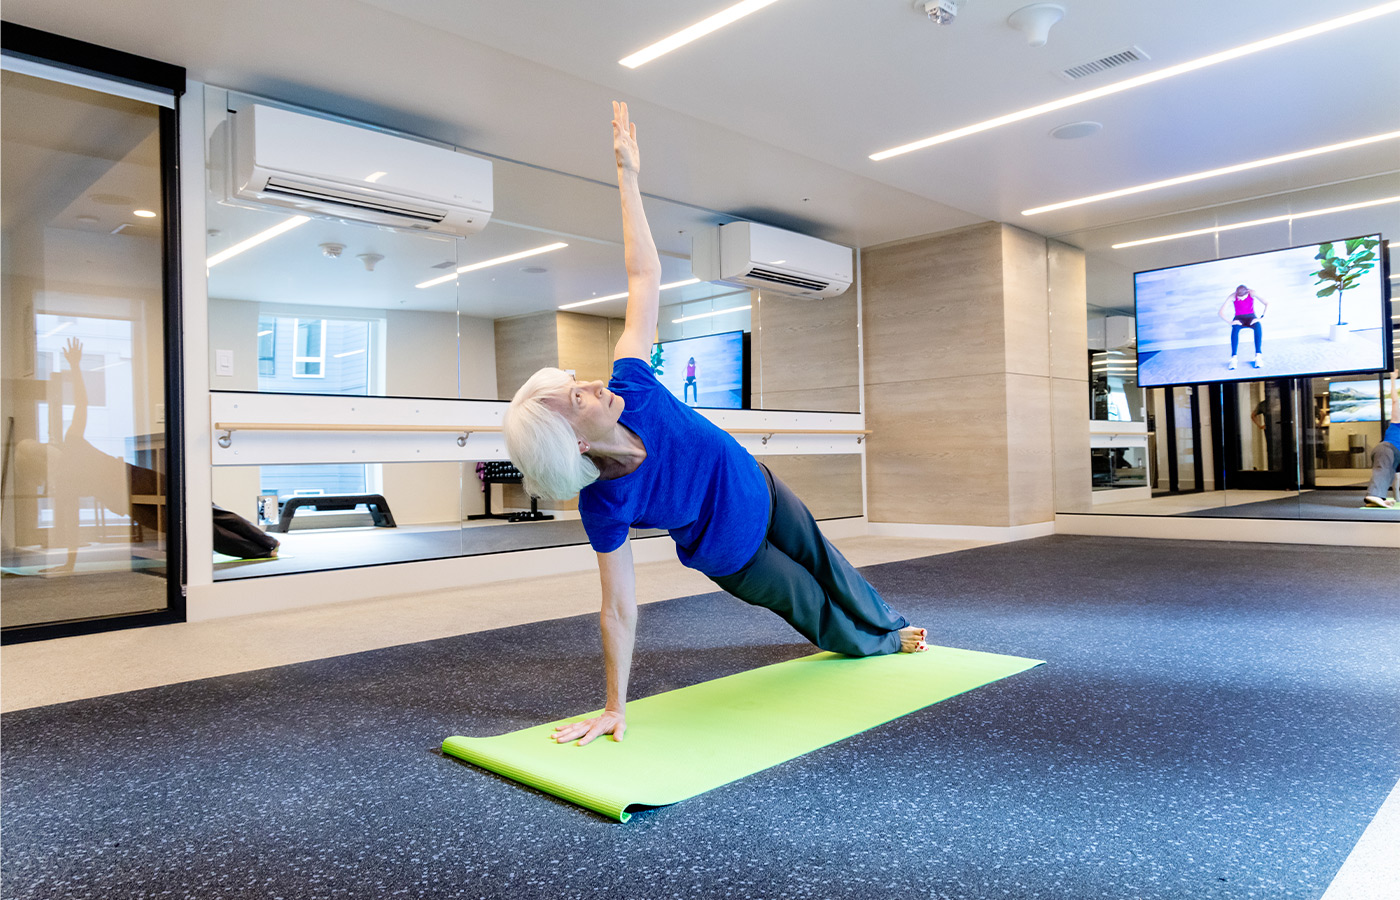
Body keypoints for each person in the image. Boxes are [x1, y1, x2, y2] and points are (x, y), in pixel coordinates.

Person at [502, 102, 927, 748]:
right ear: (576, 443)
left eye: (574, 381)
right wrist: (614, 705)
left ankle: (889, 620)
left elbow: (644, 274)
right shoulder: (606, 504)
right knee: (806, 603)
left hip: (759, 484)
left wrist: (628, 176)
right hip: (735, 550)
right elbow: (617, 607)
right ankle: (880, 643)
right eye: (575, 398)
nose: (589, 384)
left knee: (827, 561)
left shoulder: (631, 383)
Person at [14, 338, 163, 574]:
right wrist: (74, 366)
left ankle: (244, 543)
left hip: (130, 494)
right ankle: (244, 543)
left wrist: (69, 565)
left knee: (195, 519)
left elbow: (71, 525)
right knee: (201, 515)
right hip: (135, 485)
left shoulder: (64, 473)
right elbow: (82, 403)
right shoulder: (71, 445)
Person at [1363, 370, 1399, 508]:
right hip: (1386, 449)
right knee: (1383, 469)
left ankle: (1376, 500)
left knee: (1388, 473)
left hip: (1395, 456)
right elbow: (1395, 400)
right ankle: (1374, 495)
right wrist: (1393, 379)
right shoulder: (1397, 422)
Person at [1218, 284, 1268, 371]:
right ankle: (1234, 358)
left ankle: (1258, 356)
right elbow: (1221, 312)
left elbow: (1267, 303)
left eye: (1243, 297)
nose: (1241, 299)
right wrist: (1230, 322)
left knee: (1258, 327)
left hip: (1251, 317)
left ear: (1247, 292)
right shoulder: (1232, 296)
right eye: (1239, 297)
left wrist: (1261, 318)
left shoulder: (1252, 293)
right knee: (1234, 330)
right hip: (1239, 318)